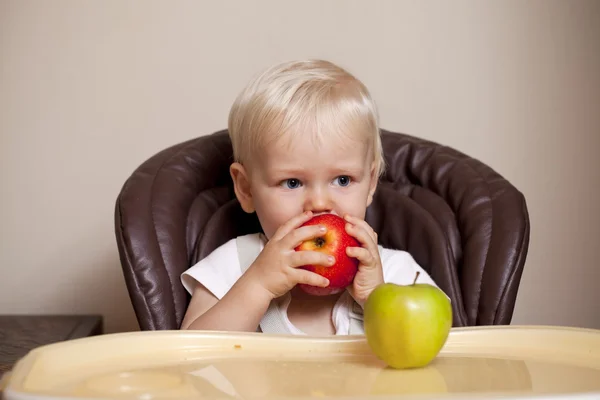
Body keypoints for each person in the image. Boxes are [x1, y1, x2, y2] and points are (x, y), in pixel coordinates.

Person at [179, 59, 443, 335]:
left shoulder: (397, 274)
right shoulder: (234, 266)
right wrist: (257, 287)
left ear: (371, 183)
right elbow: (189, 357)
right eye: (292, 183)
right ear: (246, 189)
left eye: (342, 180)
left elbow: (438, 357)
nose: (319, 202)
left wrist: (377, 299)